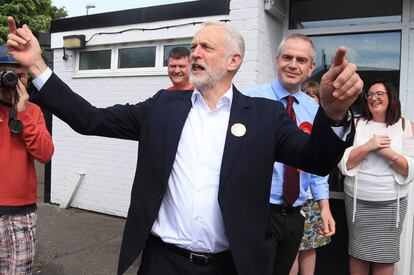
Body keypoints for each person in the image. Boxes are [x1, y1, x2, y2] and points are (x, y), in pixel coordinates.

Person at [7, 17, 363, 275]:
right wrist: (38, 65)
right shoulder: (162, 107)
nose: (195, 53)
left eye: (206, 47)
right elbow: (90, 119)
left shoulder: (265, 116)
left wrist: (333, 113)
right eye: (193, 46)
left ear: (233, 61)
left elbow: (314, 159)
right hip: (164, 262)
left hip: (232, 264)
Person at [243, 34, 335, 275]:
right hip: (256, 211)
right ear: (276, 60)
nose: (293, 64)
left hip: (294, 215)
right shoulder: (249, 100)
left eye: (301, 60)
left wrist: (324, 206)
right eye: (287, 57)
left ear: (311, 67)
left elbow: (316, 163)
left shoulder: (314, 109)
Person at [338, 80, 414, 275]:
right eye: (370, 94)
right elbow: (344, 164)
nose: (373, 98)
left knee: (385, 255)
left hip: (391, 203)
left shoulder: (405, 126)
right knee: (358, 253)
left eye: (379, 94)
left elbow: (409, 169)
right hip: (358, 201)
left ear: (391, 97)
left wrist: (387, 153)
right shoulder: (356, 123)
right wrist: (368, 146)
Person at [0, 45, 54, 274]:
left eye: (21, 75)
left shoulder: (33, 111)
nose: (15, 81)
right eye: (7, 74)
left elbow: (45, 154)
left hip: (20, 213)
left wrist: (21, 114)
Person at [290, 80, 332, 275]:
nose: (310, 99)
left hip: (310, 199)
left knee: (309, 246)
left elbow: (320, 167)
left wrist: (324, 205)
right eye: (306, 94)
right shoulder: (289, 120)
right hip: (289, 200)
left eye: (314, 95)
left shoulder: (320, 124)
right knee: (291, 251)